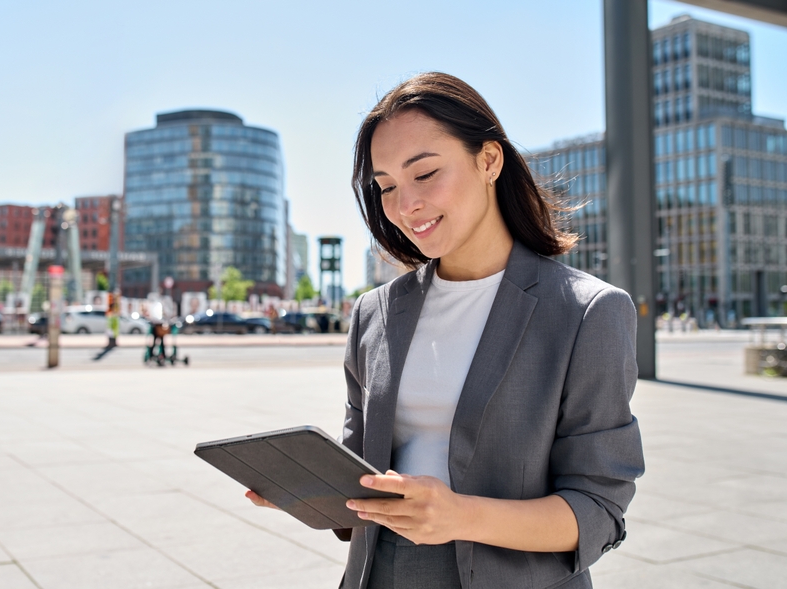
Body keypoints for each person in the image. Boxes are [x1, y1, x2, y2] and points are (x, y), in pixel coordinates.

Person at [246, 72, 644, 588]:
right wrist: (308, 491)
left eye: (426, 173)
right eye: (385, 186)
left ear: (489, 161)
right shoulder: (375, 312)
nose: (404, 204)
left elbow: (598, 510)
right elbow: (361, 484)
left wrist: (458, 515)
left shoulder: (587, 312)